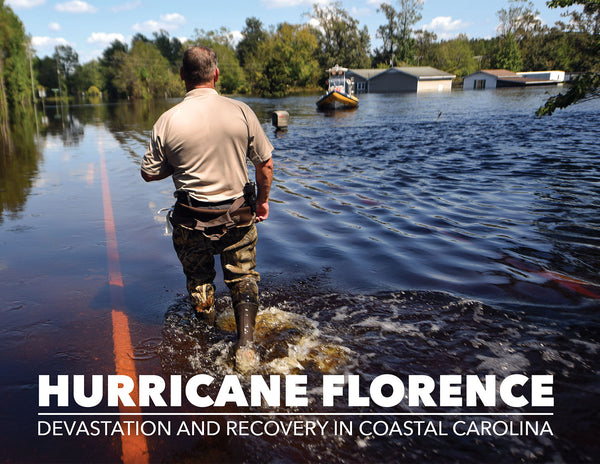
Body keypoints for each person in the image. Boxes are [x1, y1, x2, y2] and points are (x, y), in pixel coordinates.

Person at [141, 46, 274, 371]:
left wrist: (176, 164)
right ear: (216, 74)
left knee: (200, 281)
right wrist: (262, 201)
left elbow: (148, 172)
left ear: (183, 75)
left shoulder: (167, 120)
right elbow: (265, 165)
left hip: (191, 222)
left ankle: (208, 344)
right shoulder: (241, 111)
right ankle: (245, 347)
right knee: (243, 278)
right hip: (238, 217)